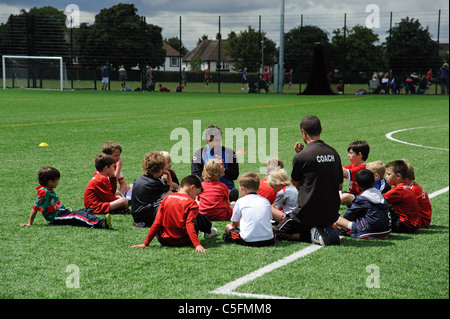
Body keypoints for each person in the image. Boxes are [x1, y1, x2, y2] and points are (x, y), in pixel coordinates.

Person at [275, 115, 343, 246]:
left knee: (279, 233)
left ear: (303, 132)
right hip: (332, 213)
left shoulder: (301, 157)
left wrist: (298, 154)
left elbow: (295, 183)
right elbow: (340, 185)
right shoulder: (334, 153)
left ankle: (311, 235)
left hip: (307, 213)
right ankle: (324, 229)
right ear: (321, 129)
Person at [131, 175, 217, 253]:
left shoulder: (166, 198)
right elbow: (189, 224)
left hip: (164, 240)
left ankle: (209, 229)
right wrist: (197, 244)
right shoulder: (192, 203)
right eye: (196, 194)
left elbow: (157, 222)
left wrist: (146, 243)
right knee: (198, 216)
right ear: (192, 187)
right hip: (184, 240)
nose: (195, 197)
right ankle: (209, 230)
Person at [21, 166, 112, 229]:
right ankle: (100, 223)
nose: (58, 182)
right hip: (56, 218)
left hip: (63, 212)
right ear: (50, 182)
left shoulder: (49, 189)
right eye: (57, 180)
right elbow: (35, 207)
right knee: (76, 216)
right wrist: (30, 223)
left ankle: (91, 218)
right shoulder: (44, 192)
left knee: (87, 210)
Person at [335, 169, 391, 239]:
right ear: (374, 182)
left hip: (368, 232)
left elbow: (348, 216)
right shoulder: (380, 195)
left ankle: (340, 230)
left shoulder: (362, 198)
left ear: (357, 184)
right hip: (385, 231)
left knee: (337, 219)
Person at [223, 172, 275, 247]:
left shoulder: (240, 201)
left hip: (248, 240)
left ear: (243, 189)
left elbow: (234, 224)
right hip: (269, 240)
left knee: (228, 227)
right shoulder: (265, 201)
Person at [191, 125, 239, 202]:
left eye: (217, 140)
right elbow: (195, 177)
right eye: (211, 141)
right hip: (206, 190)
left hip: (227, 189)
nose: (215, 143)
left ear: (221, 139)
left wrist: (223, 170)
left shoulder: (229, 153)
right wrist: (212, 172)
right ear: (206, 140)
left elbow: (235, 175)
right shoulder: (199, 154)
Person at [131, 151, 173, 227]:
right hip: (145, 216)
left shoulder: (139, 179)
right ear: (160, 169)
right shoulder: (155, 182)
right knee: (170, 194)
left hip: (135, 215)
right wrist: (168, 174)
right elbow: (170, 188)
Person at [383, 160, 420, 233]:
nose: (386, 177)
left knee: (377, 207)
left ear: (398, 176)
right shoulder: (405, 187)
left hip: (404, 226)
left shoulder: (398, 190)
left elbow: (377, 200)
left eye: (388, 174)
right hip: (412, 225)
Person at [403, 160, 432, 229]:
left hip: (420, 222)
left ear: (404, 179)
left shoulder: (410, 190)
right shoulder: (414, 186)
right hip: (423, 219)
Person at [340, 140, 370, 206]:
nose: (348, 155)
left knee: (346, 197)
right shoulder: (353, 165)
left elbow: (343, 171)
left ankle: (326, 208)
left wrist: (331, 163)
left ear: (359, 154)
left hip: (361, 198)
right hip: (353, 195)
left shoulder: (364, 167)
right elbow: (340, 171)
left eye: (351, 153)